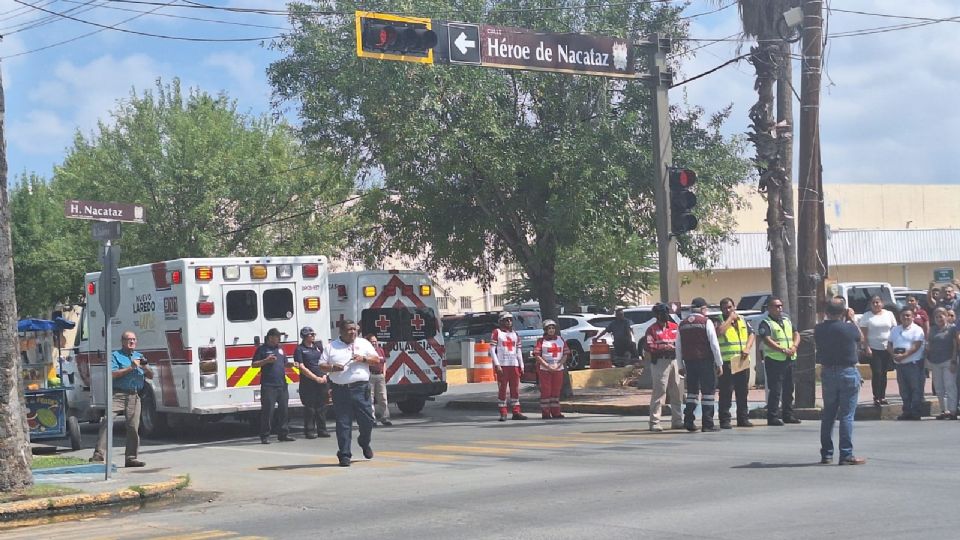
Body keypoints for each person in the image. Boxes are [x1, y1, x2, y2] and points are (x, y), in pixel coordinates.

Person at [319, 319, 379, 467]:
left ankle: (364, 442)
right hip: (341, 390)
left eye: (354, 329)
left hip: (361, 389)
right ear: (341, 331)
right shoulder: (331, 347)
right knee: (343, 423)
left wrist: (363, 358)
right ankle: (344, 454)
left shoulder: (364, 343)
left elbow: (376, 359)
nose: (352, 332)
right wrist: (332, 367)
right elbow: (321, 366)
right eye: (349, 329)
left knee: (367, 421)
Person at [90, 330, 153, 467]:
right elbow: (113, 374)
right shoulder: (115, 356)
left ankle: (131, 458)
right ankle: (98, 455)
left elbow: (151, 375)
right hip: (118, 394)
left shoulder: (139, 356)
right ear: (123, 341)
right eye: (129, 339)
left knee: (133, 427)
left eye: (134, 340)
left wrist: (146, 368)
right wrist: (131, 367)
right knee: (107, 421)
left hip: (134, 395)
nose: (132, 342)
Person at [815, 297, 866, 465]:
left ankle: (826, 454)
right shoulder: (849, 328)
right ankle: (845, 454)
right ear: (843, 312)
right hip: (847, 371)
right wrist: (851, 318)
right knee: (846, 415)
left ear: (827, 312)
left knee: (828, 414)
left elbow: (827, 326)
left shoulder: (819, 329)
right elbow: (860, 338)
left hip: (828, 371)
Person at [676, 297, 723, 432]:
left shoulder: (682, 324)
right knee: (708, 393)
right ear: (703, 309)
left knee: (692, 393)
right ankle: (707, 423)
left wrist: (680, 365)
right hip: (705, 361)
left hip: (690, 363)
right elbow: (714, 344)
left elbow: (678, 346)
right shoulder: (706, 322)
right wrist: (719, 363)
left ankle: (689, 421)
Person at [758, 297, 802, 426]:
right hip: (775, 360)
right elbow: (766, 339)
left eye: (780, 305)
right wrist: (782, 349)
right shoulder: (765, 322)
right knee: (776, 390)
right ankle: (772, 417)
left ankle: (788, 415)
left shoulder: (786, 320)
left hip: (790, 359)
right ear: (769, 308)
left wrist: (794, 347)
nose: (780, 308)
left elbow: (796, 334)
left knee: (789, 388)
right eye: (776, 306)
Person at [715, 297, 756, 429]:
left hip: (742, 360)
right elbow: (719, 332)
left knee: (742, 392)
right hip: (727, 362)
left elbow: (752, 334)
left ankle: (743, 418)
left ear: (734, 307)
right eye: (725, 308)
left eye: (730, 307)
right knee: (726, 392)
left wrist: (747, 348)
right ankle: (725, 420)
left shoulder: (742, 320)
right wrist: (730, 319)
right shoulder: (718, 320)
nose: (727, 310)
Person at [642, 303, 684, 432]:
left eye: (666, 312)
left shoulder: (675, 327)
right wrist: (664, 347)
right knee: (659, 392)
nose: (664, 315)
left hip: (674, 361)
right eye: (661, 313)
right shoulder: (652, 329)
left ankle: (677, 420)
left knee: (676, 391)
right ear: (656, 315)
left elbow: (681, 343)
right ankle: (654, 422)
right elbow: (649, 346)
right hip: (660, 362)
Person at [252, 328, 295, 444]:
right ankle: (265, 436)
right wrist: (266, 361)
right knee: (268, 411)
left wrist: (289, 364)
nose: (279, 339)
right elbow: (254, 364)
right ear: (270, 337)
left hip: (282, 384)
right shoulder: (262, 349)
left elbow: (284, 362)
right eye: (277, 337)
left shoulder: (280, 349)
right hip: (268, 385)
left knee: (284, 410)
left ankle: (283, 433)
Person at [858, 295, 898, 407]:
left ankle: (883, 396)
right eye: (873, 303)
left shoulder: (889, 314)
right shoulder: (867, 316)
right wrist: (867, 347)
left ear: (882, 303)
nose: (876, 305)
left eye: (878, 302)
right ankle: (876, 397)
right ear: (870, 304)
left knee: (884, 373)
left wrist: (893, 346)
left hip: (887, 348)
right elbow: (864, 335)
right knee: (877, 372)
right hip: (874, 349)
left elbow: (893, 330)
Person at [887, 308, 926, 420]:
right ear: (900, 317)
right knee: (904, 390)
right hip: (899, 364)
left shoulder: (917, 330)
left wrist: (904, 355)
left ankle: (916, 412)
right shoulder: (895, 329)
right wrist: (893, 355)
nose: (906, 317)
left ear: (913, 317)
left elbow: (917, 345)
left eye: (908, 315)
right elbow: (889, 344)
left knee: (916, 389)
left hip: (913, 364)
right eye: (903, 315)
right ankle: (907, 411)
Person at [293, 326, 330, 439]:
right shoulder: (299, 349)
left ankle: (322, 430)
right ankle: (309, 431)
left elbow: (325, 361)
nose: (314, 336)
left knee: (322, 407)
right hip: (308, 382)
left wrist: (324, 375)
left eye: (314, 334)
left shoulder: (317, 347)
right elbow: (302, 367)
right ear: (305, 336)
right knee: (310, 408)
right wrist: (315, 378)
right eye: (311, 334)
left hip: (322, 380)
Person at [490, 312, 527, 421]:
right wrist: (497, 364)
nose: (509, 322)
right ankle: (503, 412)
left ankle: (516, 412)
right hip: (502, 365)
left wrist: (521, 364)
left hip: (514, 364)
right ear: (501, 321)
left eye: (510, 320)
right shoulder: (497, 333)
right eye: (506, 320)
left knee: (515, 389)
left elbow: (518, 350)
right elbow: (492, 349)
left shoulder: (515, 334)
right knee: (502, 389)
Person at [532, 319, 568, 419]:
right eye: (549, 328)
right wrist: (547, 366)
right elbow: (537, 355)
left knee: (556, 391)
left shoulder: (560, 339)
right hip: (544, 370)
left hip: (558, 369)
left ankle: (556, 412)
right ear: (545, 330)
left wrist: (558, 365)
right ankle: (546, 413)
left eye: (553, 328)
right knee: (546, 391)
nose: (551, 330)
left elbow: (565, 354)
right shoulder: (541, 341)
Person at [925, 308, 957, 420]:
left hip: (948, 361)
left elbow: (955, 346)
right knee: (939, 388)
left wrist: (953, 361)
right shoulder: (932, 330)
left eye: (941, 316)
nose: (939, 319)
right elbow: (929, 345)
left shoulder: (952, 329)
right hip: (935, 362)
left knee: (950, 386)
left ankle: (953, 411)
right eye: (937, 317)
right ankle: (944, 410)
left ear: (946, 316)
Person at [365, 333, 392, 426]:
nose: (374, 343)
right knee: (370, 399)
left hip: (380, 376)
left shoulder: (380, 350)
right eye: (372, 341)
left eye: (375, 341)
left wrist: (384, 373)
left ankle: (384, 418)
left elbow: (384, 362)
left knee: (383, 398)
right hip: (370, 376)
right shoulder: (366, 352)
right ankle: (372, 419)